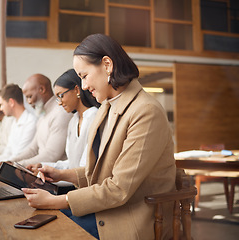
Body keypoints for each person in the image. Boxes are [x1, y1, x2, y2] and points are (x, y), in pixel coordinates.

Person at [20, 34, 176, 240]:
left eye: (84, 76)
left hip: (131, 218)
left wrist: (56, 201)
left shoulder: (146, 111)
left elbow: (119, 188)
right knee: (34, 223)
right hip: (109, 209)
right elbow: (102, 173)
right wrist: (60, 174)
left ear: (107, 65)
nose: (83, 86)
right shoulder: (107, 107)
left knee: (46, 230)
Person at [0, 74, 72, 172]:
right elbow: (33, 149)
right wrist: (10, 162)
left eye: (30, 96)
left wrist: (16, 165)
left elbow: (51, 154)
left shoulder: (60, 113)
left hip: (58, 177)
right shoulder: (43, 115)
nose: (29, 102)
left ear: (41, 89)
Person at [27, 68, 100, 173]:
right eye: (57, 98)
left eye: (61, 96)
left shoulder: (94, 117)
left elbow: (85, 169)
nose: (60, 103)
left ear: (77, 90)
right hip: (73, 183)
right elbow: (71, 164)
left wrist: (59, 175)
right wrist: (43, 166)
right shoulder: (73, 121)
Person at [0, 84, 37, 169]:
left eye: (2, 104)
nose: (1, 109)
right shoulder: (15, 122)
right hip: (12, 165)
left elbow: (19, 155)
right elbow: (7, 153)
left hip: (22, 169)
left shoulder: (31, 122)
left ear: (11, 102)